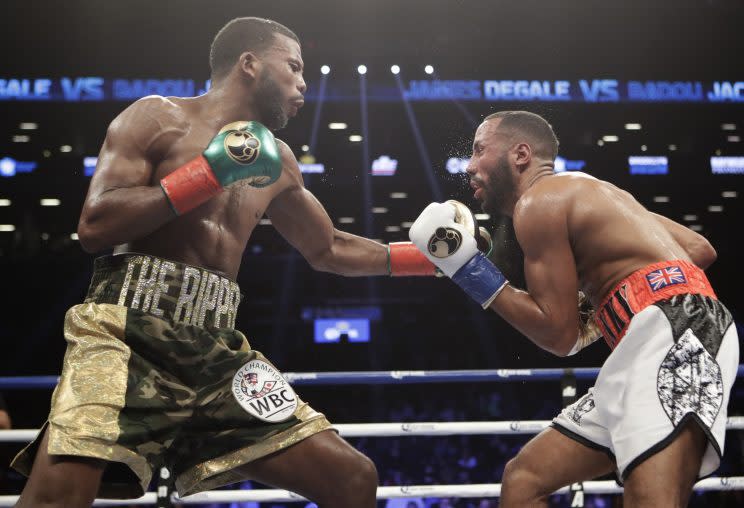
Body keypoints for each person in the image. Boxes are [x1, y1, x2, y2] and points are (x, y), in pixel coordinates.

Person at [11, 17, 436, 508]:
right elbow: (96, 226)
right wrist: (208, 173)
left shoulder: (277, 158)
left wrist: (432, 260)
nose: (304, 83)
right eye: (294, 67)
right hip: (125, 337)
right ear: (250, 64)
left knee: (352, 478)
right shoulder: (156, 118)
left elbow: (329, 248)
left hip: (217, 353)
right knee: (57, 497)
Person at [409, 111, 739, 507]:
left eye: (480, 150)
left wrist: (469, 270)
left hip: (677, 335)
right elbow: (699, 250)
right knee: (525, 479)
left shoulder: (537, 203)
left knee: (651, 499)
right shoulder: (598, 193)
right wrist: (608, 305)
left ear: (521, 154)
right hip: (648, 338)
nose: (470, 165)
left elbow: (558, 336)